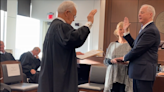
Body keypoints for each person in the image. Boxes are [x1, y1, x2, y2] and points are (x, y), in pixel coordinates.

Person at [38, 1, 97, 92]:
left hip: (51, 72)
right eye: (74, 16)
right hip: (60, 75)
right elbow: (74, 38)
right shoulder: (61, 26)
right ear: (67, 13)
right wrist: (89, 23)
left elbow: (59, 48)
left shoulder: (53, 26)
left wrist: (73, 53)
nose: (73, 19)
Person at [117, 4, 160, 92]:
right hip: (140, 72)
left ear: (150, 14)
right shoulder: (145, 29)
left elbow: (137, 50)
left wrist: (124, 58)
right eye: (139, 13)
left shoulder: (150, 30)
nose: (139, 15)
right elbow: (136, 46)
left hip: (144, 73)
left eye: (142, 12)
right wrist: (126, 33)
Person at [103, 22, 133, 92]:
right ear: (117, 32)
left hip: (125, 76)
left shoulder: (131, 45)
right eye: (120, 29)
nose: (122, 31)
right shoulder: (112, 45)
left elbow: (134, 61)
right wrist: (111, 61)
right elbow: (105, 61)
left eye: (124, 29)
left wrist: (127, 62)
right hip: (113, 76)